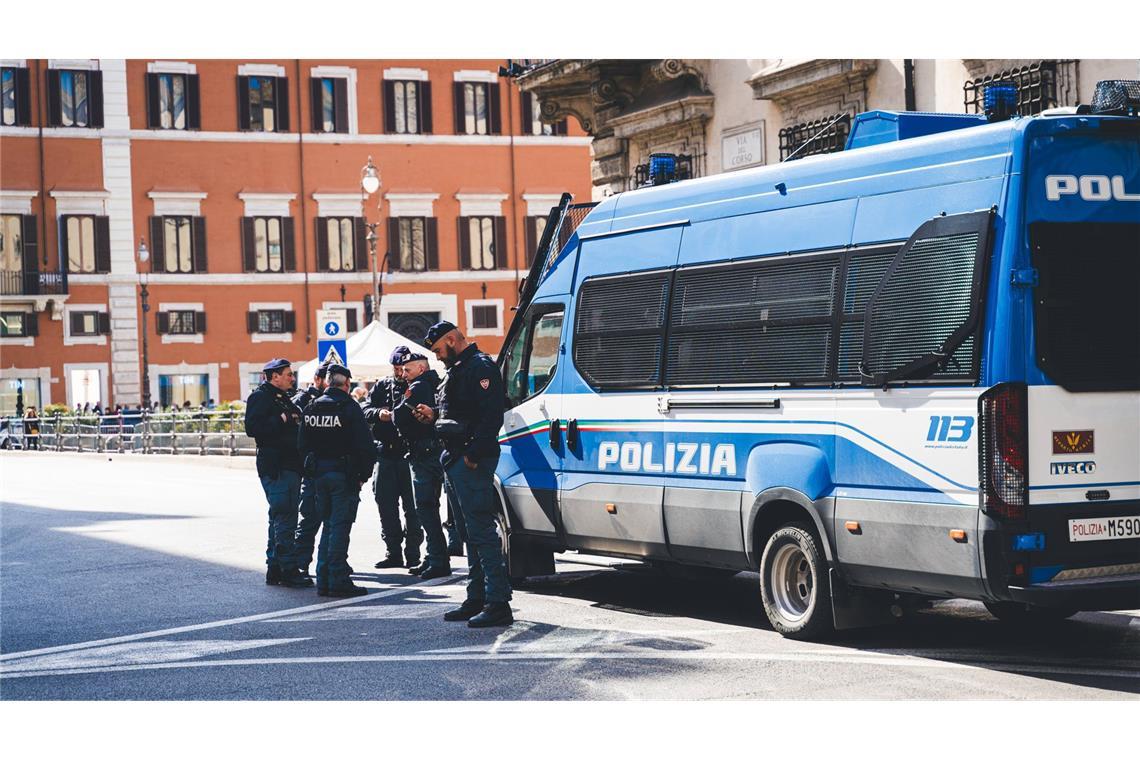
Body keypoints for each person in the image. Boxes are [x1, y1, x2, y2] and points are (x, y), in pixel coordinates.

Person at [414, 321, 512, 627]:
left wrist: (472, 455)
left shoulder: (479, 366)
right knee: (470, 534)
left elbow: (492, 414)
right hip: (454, 458)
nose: (437, 356)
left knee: (481, 532)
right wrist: (433, 416)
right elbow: (457, 414)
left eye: (438, 349)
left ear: (453, 339)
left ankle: (498, 601)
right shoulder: (457, 369)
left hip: (470, 460)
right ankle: (477, 597)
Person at [298, 363, 377, 597]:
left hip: (319, 476)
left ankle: (323, 579)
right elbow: (365, 446)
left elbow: (302, 445)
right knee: (340, 528)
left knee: (327, 526)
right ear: (346, 384)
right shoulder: (349, 407)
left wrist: (311, 472)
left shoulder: (312, 407)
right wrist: (363, 475)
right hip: (344, 476)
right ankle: (338, 580)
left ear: (328, 382)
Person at [244, 358, 311, 589]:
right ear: (274, 377)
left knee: (279, 516)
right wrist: (281, 419)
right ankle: (287, 569)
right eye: (288, 374)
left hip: (289, 464)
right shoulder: (260, 397)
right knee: (285, 517)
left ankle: (274, 567)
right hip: (277, 465)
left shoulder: (283, 398)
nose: (292, 378)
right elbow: (252, 428)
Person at [361, 347, 423, 571]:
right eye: (396, 369)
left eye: (402, 368)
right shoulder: (382, 386)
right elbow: (364, 408)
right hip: (386, 454)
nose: (400, 373)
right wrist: (379, 414)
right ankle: (393, 552)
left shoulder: (417, 385)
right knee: (386, 506)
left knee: (413, 507)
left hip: (408, 455)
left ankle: (413, 552)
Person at [392, 351, 451, 580]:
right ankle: (434, 556)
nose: (404, 374)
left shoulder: (416, 387)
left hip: (423, 454)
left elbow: (399, 416)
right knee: (450, 509)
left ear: (421, 368)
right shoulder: (442, 383)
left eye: (408, 369)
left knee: (426, 508)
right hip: (442, 449)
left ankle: (437, 558)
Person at [292, 362, 331, 579]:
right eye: (327, 378)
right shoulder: (303, 400)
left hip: (328, 468)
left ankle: (330, 563)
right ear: (317, 379)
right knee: (309, 519)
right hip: (312, 469)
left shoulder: (338, 401)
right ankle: (301, 562)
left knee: (331, 521)